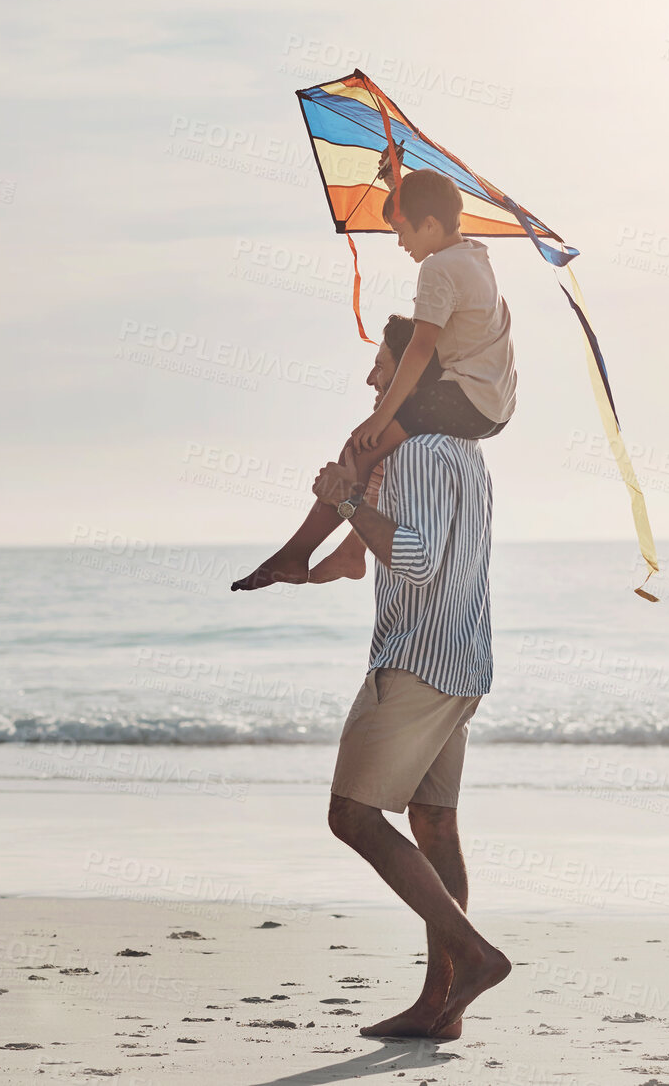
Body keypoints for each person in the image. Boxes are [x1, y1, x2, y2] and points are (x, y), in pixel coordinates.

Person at [311, 334, 510, 1040]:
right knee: (432, 824)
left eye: (383, 365)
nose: (371, 376)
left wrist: (344, 504)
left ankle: (475, 956)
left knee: (352, 816)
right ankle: (439, 1005)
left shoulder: (420, 451)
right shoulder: (466, 453)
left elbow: (418, 560)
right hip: (463, 660)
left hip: (417, 661)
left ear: (414, 373)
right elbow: (392, 557)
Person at [233, 167, 518, 591]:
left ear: (430, 224)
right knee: (373, 453)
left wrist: (380, 418)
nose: (399, 242)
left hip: (464, 399)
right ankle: (345, 550)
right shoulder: (473, 254)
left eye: (401, 231)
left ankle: (306, 554)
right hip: (494, 407)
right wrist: (396, 184)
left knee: (361, 446)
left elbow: (420, 349)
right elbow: (430, 210)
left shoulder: (437, 268)